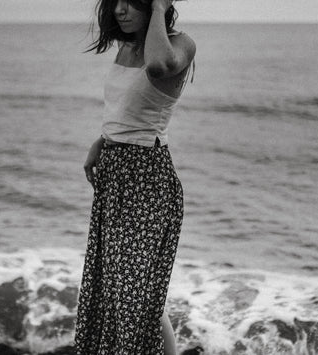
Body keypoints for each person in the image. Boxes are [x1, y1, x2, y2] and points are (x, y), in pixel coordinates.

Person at [74, 0, 196, 353]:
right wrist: (102, 141)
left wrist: (158, 7)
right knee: (117, 288)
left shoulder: (181, 43)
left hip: (147, 178)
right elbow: (127, 110)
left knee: (135, 292)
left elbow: (159, 67)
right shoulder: (125, 46)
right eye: (117, 2)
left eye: (132, 2)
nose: (119, 11)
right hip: (115, 174)